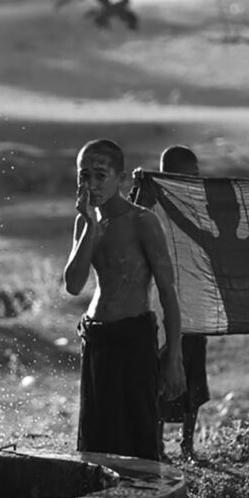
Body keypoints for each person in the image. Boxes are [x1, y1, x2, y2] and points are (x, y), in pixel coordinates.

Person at [64, 138, 185, 461]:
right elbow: (74, 285)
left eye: (100, 175)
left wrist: (173, 357)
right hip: (97, 337)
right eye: (84, 175)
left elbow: (168, 291)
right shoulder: (85, 221)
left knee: (137, 434)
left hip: (133, 336)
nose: (91, 184)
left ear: (121, 179)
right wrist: (89, 223)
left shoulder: (141, 221)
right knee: (97, 433)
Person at [155, 145, 210, 462]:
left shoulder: (202, 206)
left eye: (196, 176)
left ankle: (187, 444)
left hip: (196, 306)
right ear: (165, 176)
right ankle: (159, 444)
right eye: (185, 177)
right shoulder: (152, 204)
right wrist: (143, 185)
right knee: (162, 373)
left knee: (194, 375)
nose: (193, 182)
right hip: (164, 307)